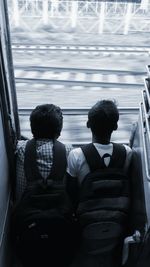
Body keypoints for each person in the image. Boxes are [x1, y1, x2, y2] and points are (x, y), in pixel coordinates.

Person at [66, 99, 133, 267]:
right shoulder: (127, 153)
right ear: (116, 127)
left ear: (88, 124)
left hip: (85, 220)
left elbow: (71, 193)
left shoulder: (76, 155)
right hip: (117, 219)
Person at [15, 103, 72, 202]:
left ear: (32, 129)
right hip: (59, 213)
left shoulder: (20, 149)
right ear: (59, 132)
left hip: (25, 212)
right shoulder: (67, 150)